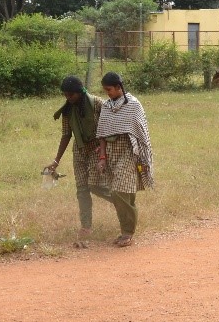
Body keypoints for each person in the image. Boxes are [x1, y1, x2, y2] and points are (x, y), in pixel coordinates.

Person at [93, 71, 154, 247]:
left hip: (129, 150)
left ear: (119, 87)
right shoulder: (106, 106)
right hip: (111, 151)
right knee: (122, 191)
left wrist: (141, 155)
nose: (107, 93)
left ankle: (128, 231)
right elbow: (102, 133)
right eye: (105, 90)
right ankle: (125, 229)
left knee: (119, 190)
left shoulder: (133, 105)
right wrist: (102, 156)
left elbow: (140, 131)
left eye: (109, 90)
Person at [45, 75, 107, 245]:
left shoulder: (98, 104)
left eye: (71, 95)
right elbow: (66, 135)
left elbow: (108, 128)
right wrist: (56, 160)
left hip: (97, 148)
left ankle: (121, 203)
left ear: (80, 92)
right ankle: (86, 226)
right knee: (82, 189)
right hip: (79, 151)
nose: (68, 98)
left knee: (96, 186)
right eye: (65, 95)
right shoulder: (67, 111)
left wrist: (103, 151)